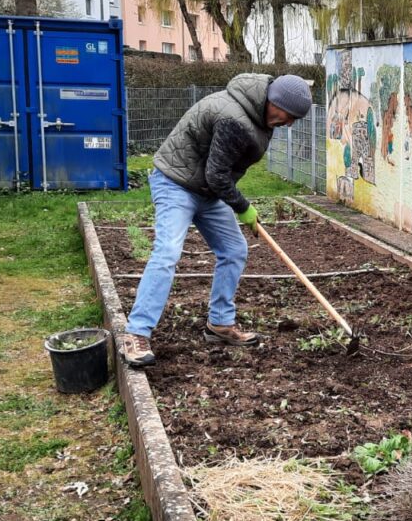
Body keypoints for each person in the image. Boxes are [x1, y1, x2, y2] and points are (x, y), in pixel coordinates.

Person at [118, 74, 313, 368]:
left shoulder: (259, 116)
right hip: (176, 183)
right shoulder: (233, 116)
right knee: (168, 252)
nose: (289, 124)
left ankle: (220, 325)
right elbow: (218, 176)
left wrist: (234, 202)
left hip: (206, 190)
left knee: (234, 250)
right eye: (290, 116)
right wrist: (243, 207)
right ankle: (136, 333)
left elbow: (218, 174)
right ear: (275, 102)